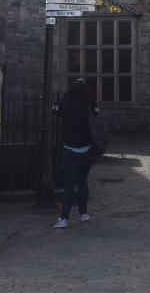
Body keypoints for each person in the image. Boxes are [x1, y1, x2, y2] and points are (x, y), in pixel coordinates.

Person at [53, 78, 99, 229]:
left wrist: (63, 99)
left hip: (70, 149)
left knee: (69, 185)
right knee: (82, 181)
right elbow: (97, 113)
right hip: (87, 148)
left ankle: (64, 218)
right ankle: (83, 213)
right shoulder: (89, 105)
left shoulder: (65, 105)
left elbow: (54, 110)